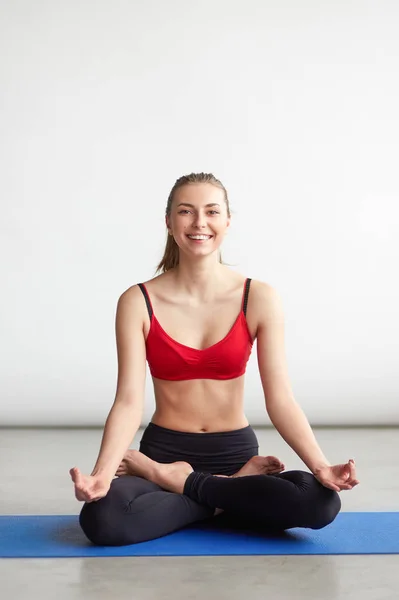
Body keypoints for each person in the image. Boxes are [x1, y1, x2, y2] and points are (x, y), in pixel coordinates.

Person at [70, 172, 359, 547]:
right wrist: (102, 475)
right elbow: (128, 400)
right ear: (169, 222)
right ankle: (226, 494)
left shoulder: (258, 297)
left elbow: (281, 398)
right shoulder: (137, 301)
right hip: (165, 451)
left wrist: (321, 467)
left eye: (211, 211)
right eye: (186, 212)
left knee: (319, 502)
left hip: (232, 451)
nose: (199, 223)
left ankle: (185, 485)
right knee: (102, 520)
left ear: (227, 221)